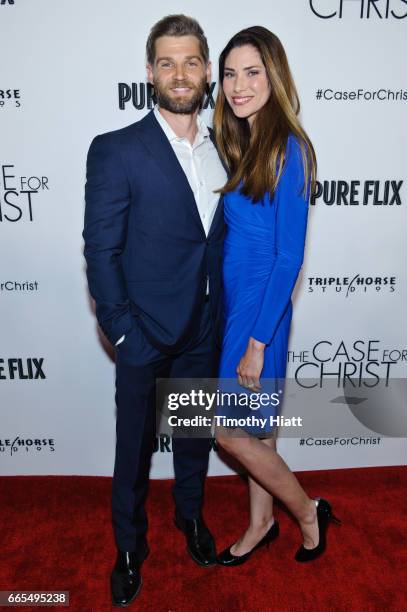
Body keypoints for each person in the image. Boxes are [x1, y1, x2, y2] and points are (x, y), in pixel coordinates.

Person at [83, 14, 227, 606]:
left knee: (192, 437)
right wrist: (121, 330)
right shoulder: (117, 149)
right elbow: (101, 247)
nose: (179, 73)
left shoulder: (229, 146)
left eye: (190, 61)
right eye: (166, 62)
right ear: (149, 72)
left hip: (205, 326)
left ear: (207, 71)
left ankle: (189, 518)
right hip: (142, 330)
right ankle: (128, 548)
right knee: (133, 446)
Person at [213, 26, 341, 566]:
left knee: (226, 433)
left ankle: (307, 511)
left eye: (252, 72)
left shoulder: (290, 148)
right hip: (238, 306)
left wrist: (258, 341)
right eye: (229, 74)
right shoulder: (246, 142)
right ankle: (261, 523)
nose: (238, 85)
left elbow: (289, 257)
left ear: (275, 75)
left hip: (258, 317)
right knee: (257, 432)